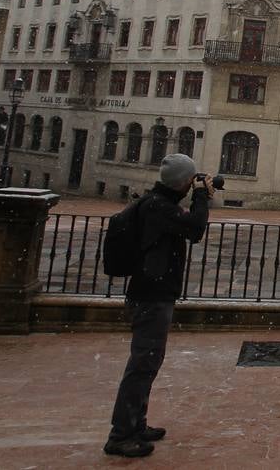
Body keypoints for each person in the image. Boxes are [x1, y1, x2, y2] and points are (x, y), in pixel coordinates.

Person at [105, 154, 212, 458]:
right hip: (151, 296)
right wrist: (202, 196)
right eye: (191, 180)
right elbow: (195, 229)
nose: (194, 184)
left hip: (151, 292)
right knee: (142, 365)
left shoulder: (155, 202)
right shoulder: (157, 207)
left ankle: (136, 424)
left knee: (147, 363)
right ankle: (121, 434)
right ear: (183, 181)